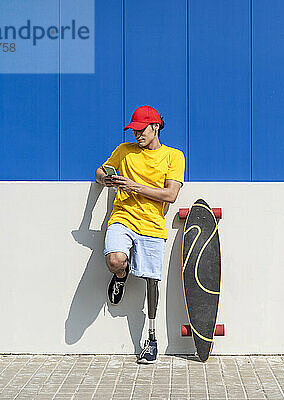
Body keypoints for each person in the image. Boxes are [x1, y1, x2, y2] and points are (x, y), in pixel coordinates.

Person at [94, 105, 185, 364]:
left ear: (155, 127)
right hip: (122, 218)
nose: (137, 135)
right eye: (133, 130)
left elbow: (170, 195)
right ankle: (121, 275)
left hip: (152, 224)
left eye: (141, 130)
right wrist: (106, 180)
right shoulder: (124, 151)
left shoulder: (174, 156)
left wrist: (135, 186)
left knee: (151, 281)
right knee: (114, 259)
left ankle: (152, 339)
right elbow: (100, 171)